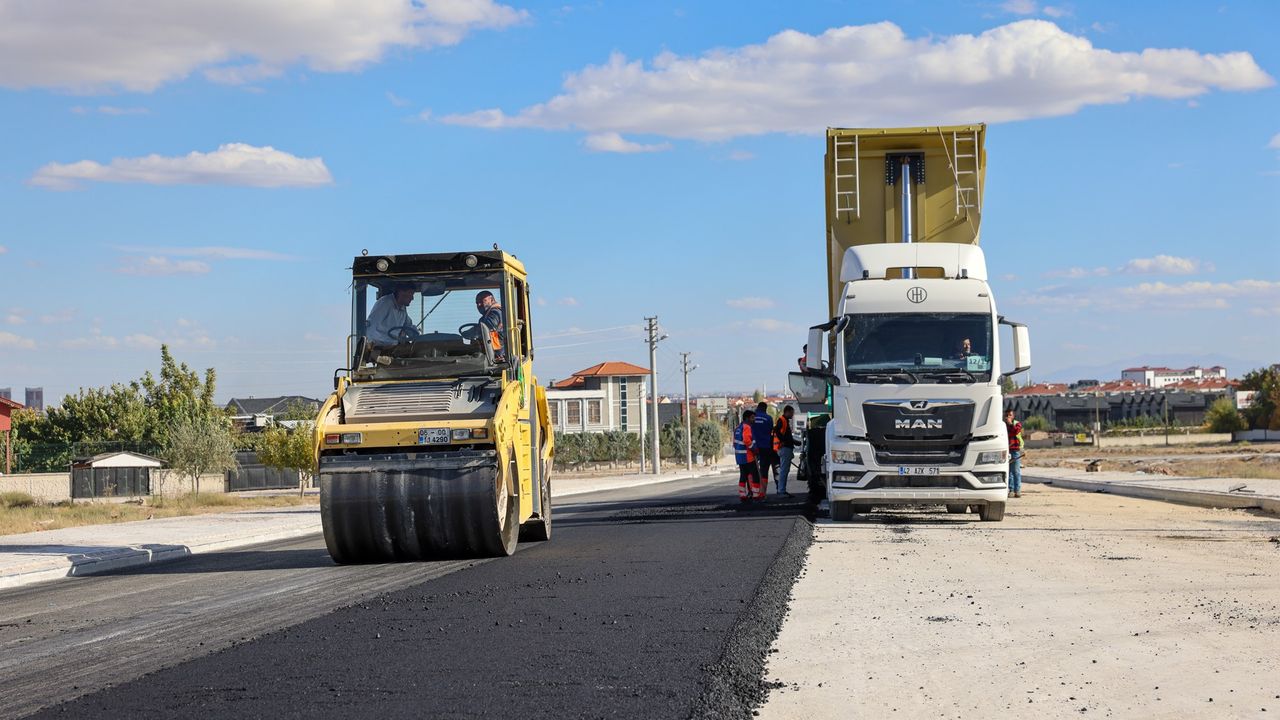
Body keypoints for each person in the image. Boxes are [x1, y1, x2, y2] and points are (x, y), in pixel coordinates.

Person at [733, 410, 763, 503]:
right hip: (748, 456)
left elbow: (734, 443)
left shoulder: (738, 428)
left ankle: (742, 495)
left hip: (740, 456)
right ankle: (756, 495)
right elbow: (746, 440)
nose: (754, 420)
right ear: (747, 418)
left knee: (743, 475)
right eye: (752, 418)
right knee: (755, 475)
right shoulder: (747, 427)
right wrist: (754, 449)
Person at [751, 401, 777, 495]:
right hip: (766, 447)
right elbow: (770, 431)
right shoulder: (768, 418)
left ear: (758, 408)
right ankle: (763, 492)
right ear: (765, 409)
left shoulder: (752, 418)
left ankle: (753, 491)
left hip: (753, 447)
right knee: (764, 470)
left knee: (752, 470)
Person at [473, 290, 506, 362]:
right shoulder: (485, 316)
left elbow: (488, 327)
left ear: (492, 300)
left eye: (482, 301)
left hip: (498, 356)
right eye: (477, 303)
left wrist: (472, 332)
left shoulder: (495, 313)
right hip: (490, 354)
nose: (479, 305)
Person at [773, 405, 797, 498]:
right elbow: (777, 430)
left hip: (785, 447)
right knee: (784, 470)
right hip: (784, 448)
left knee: (784, 470)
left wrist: (794, 442)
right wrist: (783, 441)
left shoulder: (785, 421)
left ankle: (782, 490)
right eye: (791, 413)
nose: (792, 415)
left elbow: (786, 436)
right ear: (787, 412)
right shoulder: (782, 420)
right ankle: (781, 491)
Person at [1005, 408, 1024, 498]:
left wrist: (1010, 424)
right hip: (1007, 450)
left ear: (1013, 416)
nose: (1008, 417)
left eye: (1010, 415)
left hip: (1015, 450)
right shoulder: (1003, 425)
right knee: (1009, 472)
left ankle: (1017, 490)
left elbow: (1016, 431)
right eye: (1007, 415)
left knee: (1016, 471)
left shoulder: (1017, 424)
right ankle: (1011, 490)